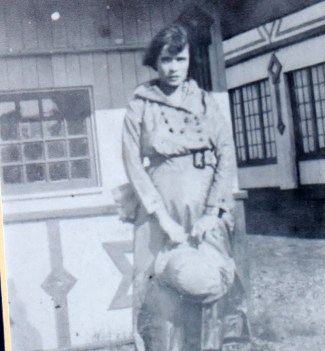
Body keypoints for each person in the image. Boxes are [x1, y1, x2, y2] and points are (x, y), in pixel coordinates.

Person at [119, 24, 249, 351]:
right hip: (159, 207)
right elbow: (133, 162)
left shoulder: (205, 101)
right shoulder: (141, 103)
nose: (173, 68)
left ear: (189, 59)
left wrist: (213, 212)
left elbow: (226, 153)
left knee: (209, 284)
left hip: (205, 202)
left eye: (180, 59)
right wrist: (162, 219)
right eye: (166, 60)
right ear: (155, 61)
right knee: (158, 293)